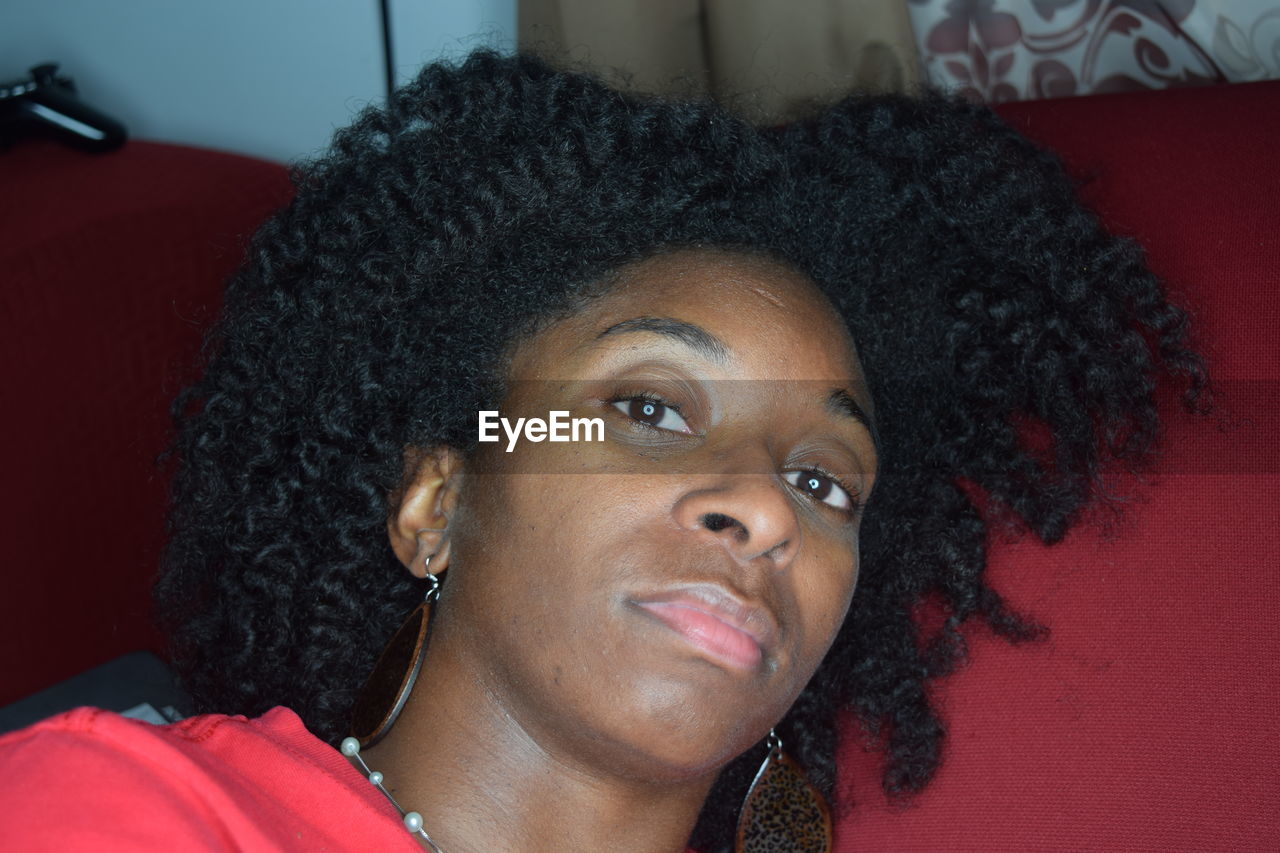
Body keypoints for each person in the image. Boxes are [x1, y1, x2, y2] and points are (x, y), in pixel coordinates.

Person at [0, 50, 1205, 852]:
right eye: (645, 409)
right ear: (435, 495)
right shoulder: (132, 813)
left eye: (822, 478)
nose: (766, 510)